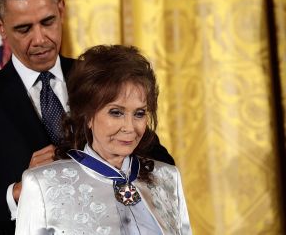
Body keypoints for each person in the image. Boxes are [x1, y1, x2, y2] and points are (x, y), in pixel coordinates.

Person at [0, 0, 174, 234]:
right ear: (0, 27)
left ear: (61, 10)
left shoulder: (100, 79)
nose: (39, 39)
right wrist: (19, 190)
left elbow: (162, 168)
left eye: (47, 22)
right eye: (24, 29)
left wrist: (113, 160)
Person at [15, 45, 192, 234]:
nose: (130, 127)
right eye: (116, 112)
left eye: (139, 114)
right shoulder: (41, 184)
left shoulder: (167, 178)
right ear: (88, 115)